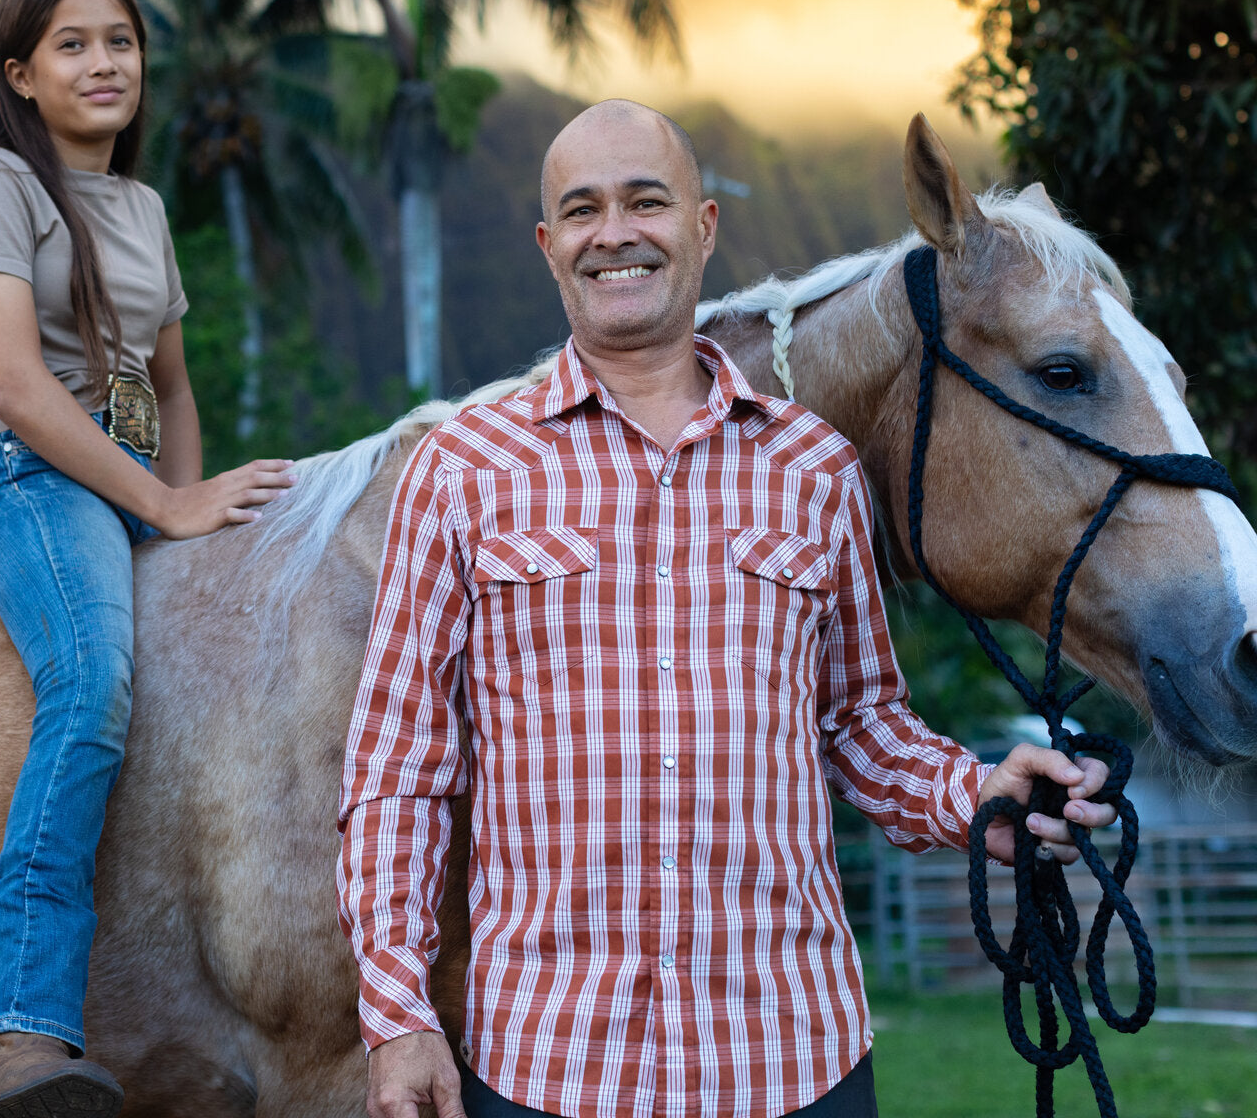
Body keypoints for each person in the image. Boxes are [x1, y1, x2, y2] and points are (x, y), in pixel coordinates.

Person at [337, 99, 1120, 1118]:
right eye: (581, 209)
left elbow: (857, 723)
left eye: (645, 201)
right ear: (547, 245)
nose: (612, 231)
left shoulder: (813, 470)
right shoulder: (462, 471)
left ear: (702, 227)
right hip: (547, 1061)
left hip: (793, 1058)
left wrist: (976, 794)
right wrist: (398, 1015)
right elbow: (399, 768)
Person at [0, 0, 296, 1118]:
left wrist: (189, 533)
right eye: (73, 44)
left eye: (122, 41)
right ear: (21, 74)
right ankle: (22, 1032)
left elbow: (173, 389)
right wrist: (162, 506)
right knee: (88, 682)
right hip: (26, 475)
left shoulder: (140, 210)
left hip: (128, 484)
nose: (104, 63)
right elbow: (17, 384)